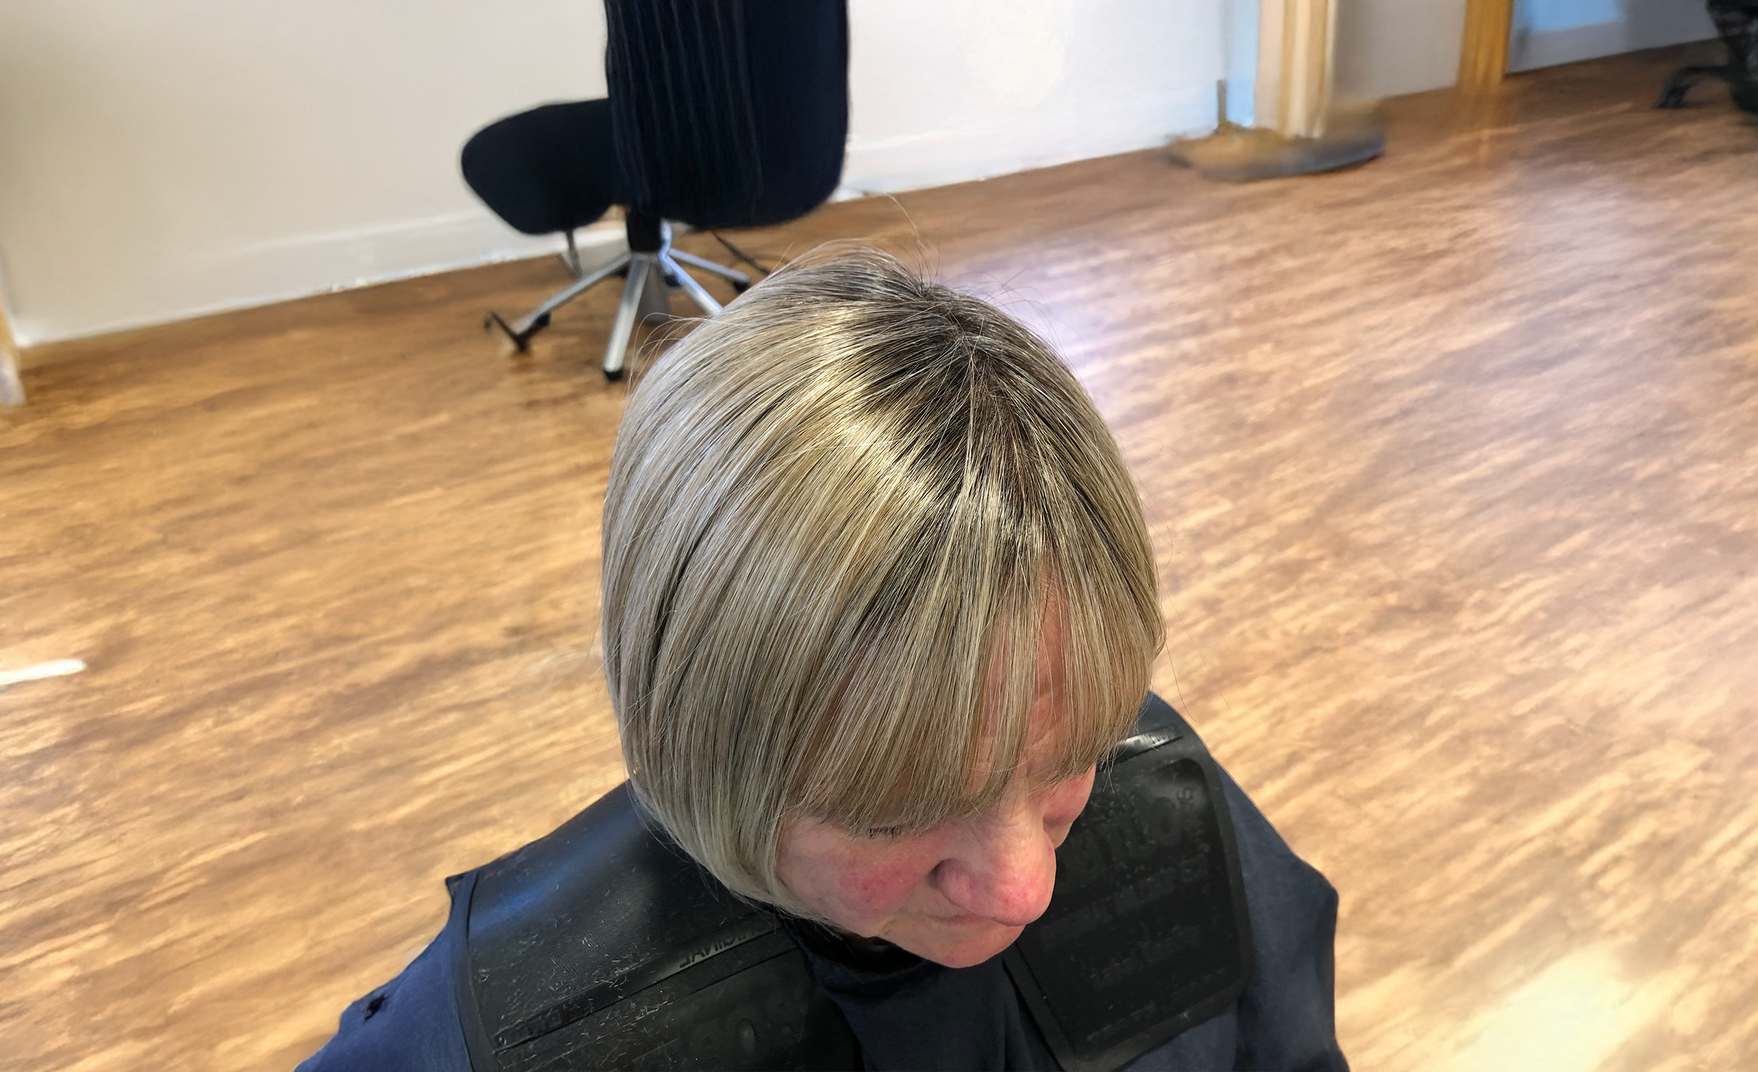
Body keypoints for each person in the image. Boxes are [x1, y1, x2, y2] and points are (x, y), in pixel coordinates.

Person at [299, 249, 1347, 1071]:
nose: (1024, 884)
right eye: (897, 809)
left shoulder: (1160, 786)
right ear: (698, 740)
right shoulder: (498, 1036)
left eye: (1070, 752)